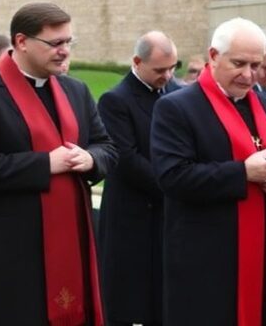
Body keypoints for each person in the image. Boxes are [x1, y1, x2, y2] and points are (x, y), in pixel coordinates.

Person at [0, 2, 117, 325]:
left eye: (68, 41)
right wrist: (44, 164)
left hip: (73, 238)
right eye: (55, 43)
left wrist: (90, 158)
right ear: (22, 41)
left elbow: (106, 146)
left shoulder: (75, 90)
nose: (64, 51)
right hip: (11, 248)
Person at [151, 17, 266, 326]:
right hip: (207, 260)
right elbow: (172, 177)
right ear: (214, 56)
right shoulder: (177, 107)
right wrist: (242, 173)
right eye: (239, 64)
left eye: (256, 65)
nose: (249, 75)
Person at [97, 31, 182, 326]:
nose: (167, 76)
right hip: (133, 214)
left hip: (168, 212)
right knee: (131, 297)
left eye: (172, 68)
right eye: (159, 70)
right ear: (137, 61)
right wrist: (176, 183)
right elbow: (126, 159)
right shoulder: (115, 100)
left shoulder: (175, 93)